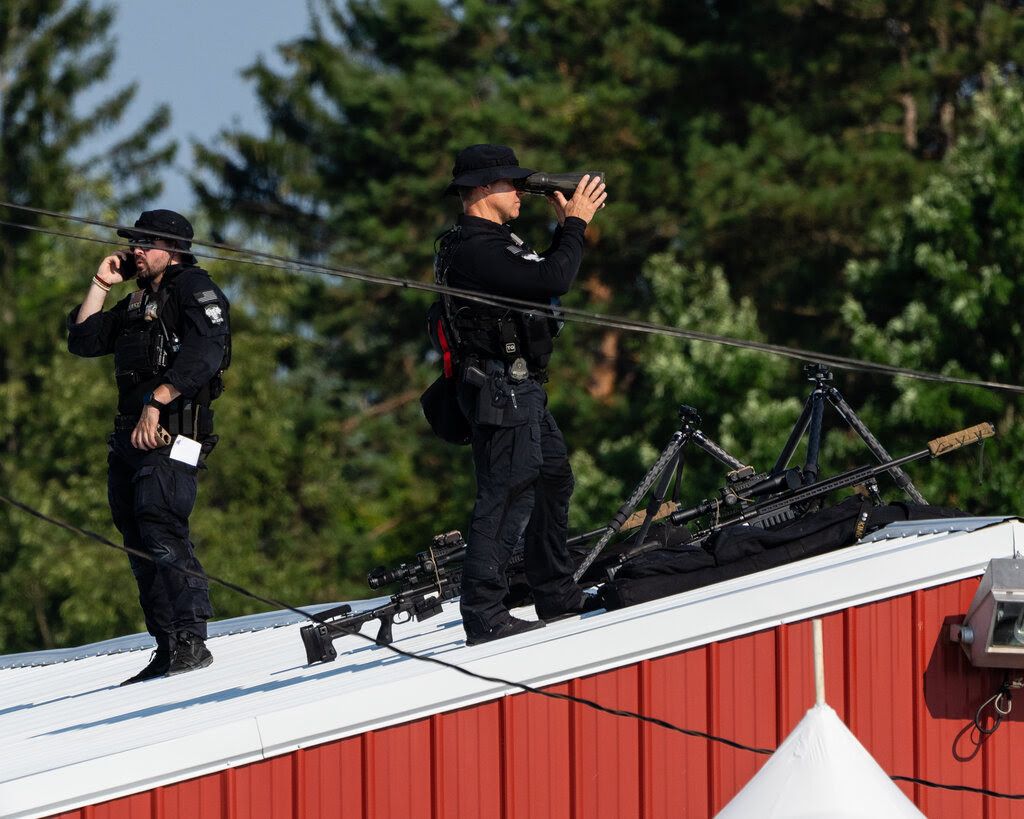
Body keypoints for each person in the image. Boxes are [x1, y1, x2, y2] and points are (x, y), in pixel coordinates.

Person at [433, 144, 607, 645]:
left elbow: (542, 282)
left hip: (518, 384)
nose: (521, 193)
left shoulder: (498, 241)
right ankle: (484, 612)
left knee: (553, 478)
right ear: (485, 189)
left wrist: (564, 228)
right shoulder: (473, 247)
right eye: (512, 184)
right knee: (507, 491)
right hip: (498, 387)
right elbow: (557, 278)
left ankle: (555, 591)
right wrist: (574, 225)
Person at [67, 209, 230, 684]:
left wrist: (156, 403)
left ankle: (191, 639)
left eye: (143, 244)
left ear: (171, 248)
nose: (134, 251)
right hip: (130, 439)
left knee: (162, 525)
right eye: (132, 244)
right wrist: (100, 284)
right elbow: (82, 341)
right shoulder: (138, 302)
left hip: (176, 434)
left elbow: (207, 353)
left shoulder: (194, 290)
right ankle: (166, 646)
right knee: (137, 538)